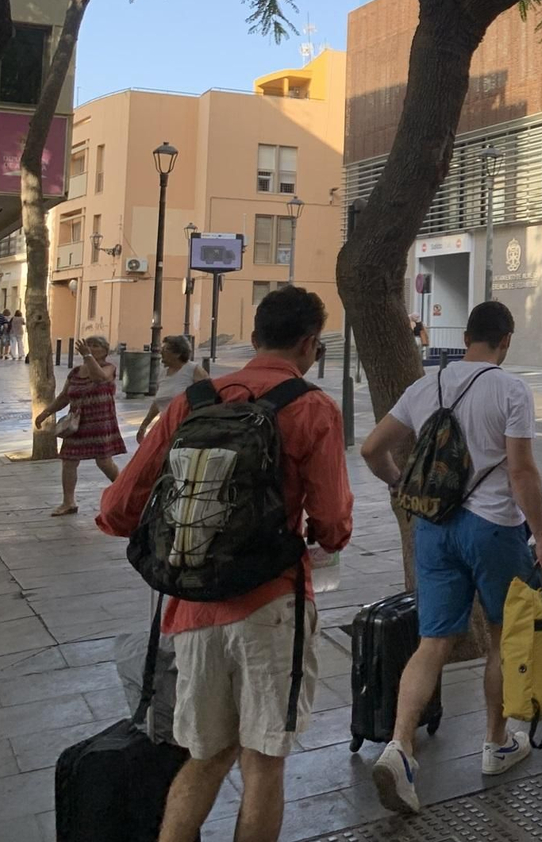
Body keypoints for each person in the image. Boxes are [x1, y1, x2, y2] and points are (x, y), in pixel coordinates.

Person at [97, 286, 353, 842]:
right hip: (272, 608)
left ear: (256, 337)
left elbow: (117, 511)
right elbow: (333, 523)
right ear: (310, 345)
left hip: (191, 612)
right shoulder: (312, 409)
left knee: (206, 755)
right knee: (263, 763)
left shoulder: (193, 401)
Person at [360, 300, 542, 813]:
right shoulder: (510, 389)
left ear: (467, 336)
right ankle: (496, 743)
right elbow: (521, 472)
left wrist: (401, 484)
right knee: (501, 638)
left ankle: (400, 748)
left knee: (433, 643)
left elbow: (371, 448)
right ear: (505, 340)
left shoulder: (427, 385)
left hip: (434, 528)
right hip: (494, 530)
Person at [36, 336, 126, 516]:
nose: (91, 348)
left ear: (105, 351)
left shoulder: (109, 368)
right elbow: (64, 397)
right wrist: (45, 413)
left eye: (96, 346)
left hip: (100, 421)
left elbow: (100, 377)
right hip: (76, 423)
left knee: (103, 461)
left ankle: (125, 491)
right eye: (89, 345)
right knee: (69, 460)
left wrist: (87, 356)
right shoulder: (75, 372)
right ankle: (68, 502)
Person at [137, 335, 207, 441]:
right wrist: (144, 425)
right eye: (162, 348)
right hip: (165, 427)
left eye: (166, 349)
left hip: (187, 428)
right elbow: (158, 402)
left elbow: (209, 398)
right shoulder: (163, 373)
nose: (161, 352)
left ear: (178, 354)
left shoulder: (193, 370)